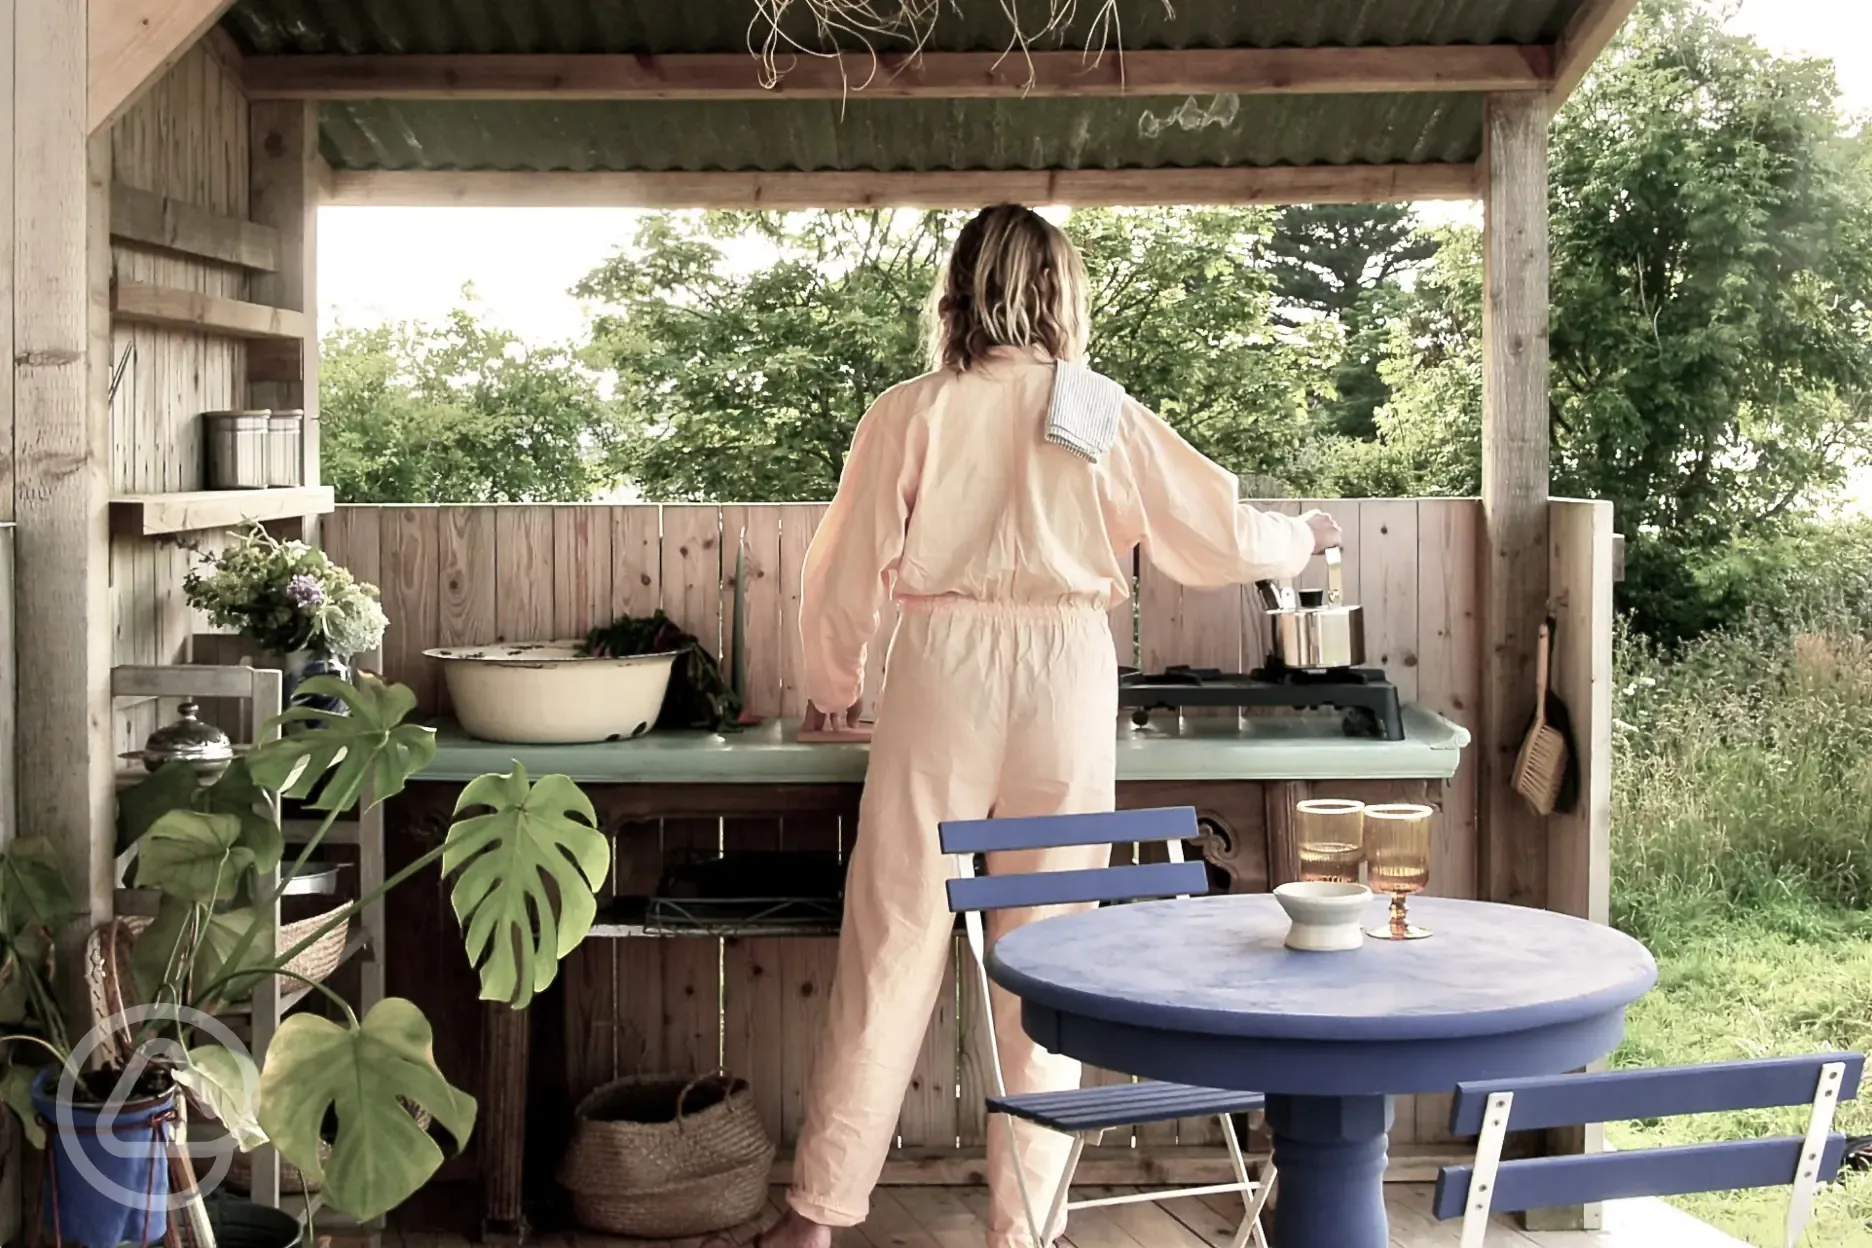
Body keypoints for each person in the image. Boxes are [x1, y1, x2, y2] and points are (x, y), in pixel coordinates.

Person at [761, 204, 1340, 1248]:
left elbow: (842, 568)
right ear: (1061, 293)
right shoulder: (1100, 410)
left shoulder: (913, 408)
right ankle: (1021, 1228)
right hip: (1066, 674)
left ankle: (816, 1217)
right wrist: (1299, 538)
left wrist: (832, 682)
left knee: (892, 940)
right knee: (1049, 954)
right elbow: (1213, 531)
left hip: (940, 669)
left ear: (959, 290)